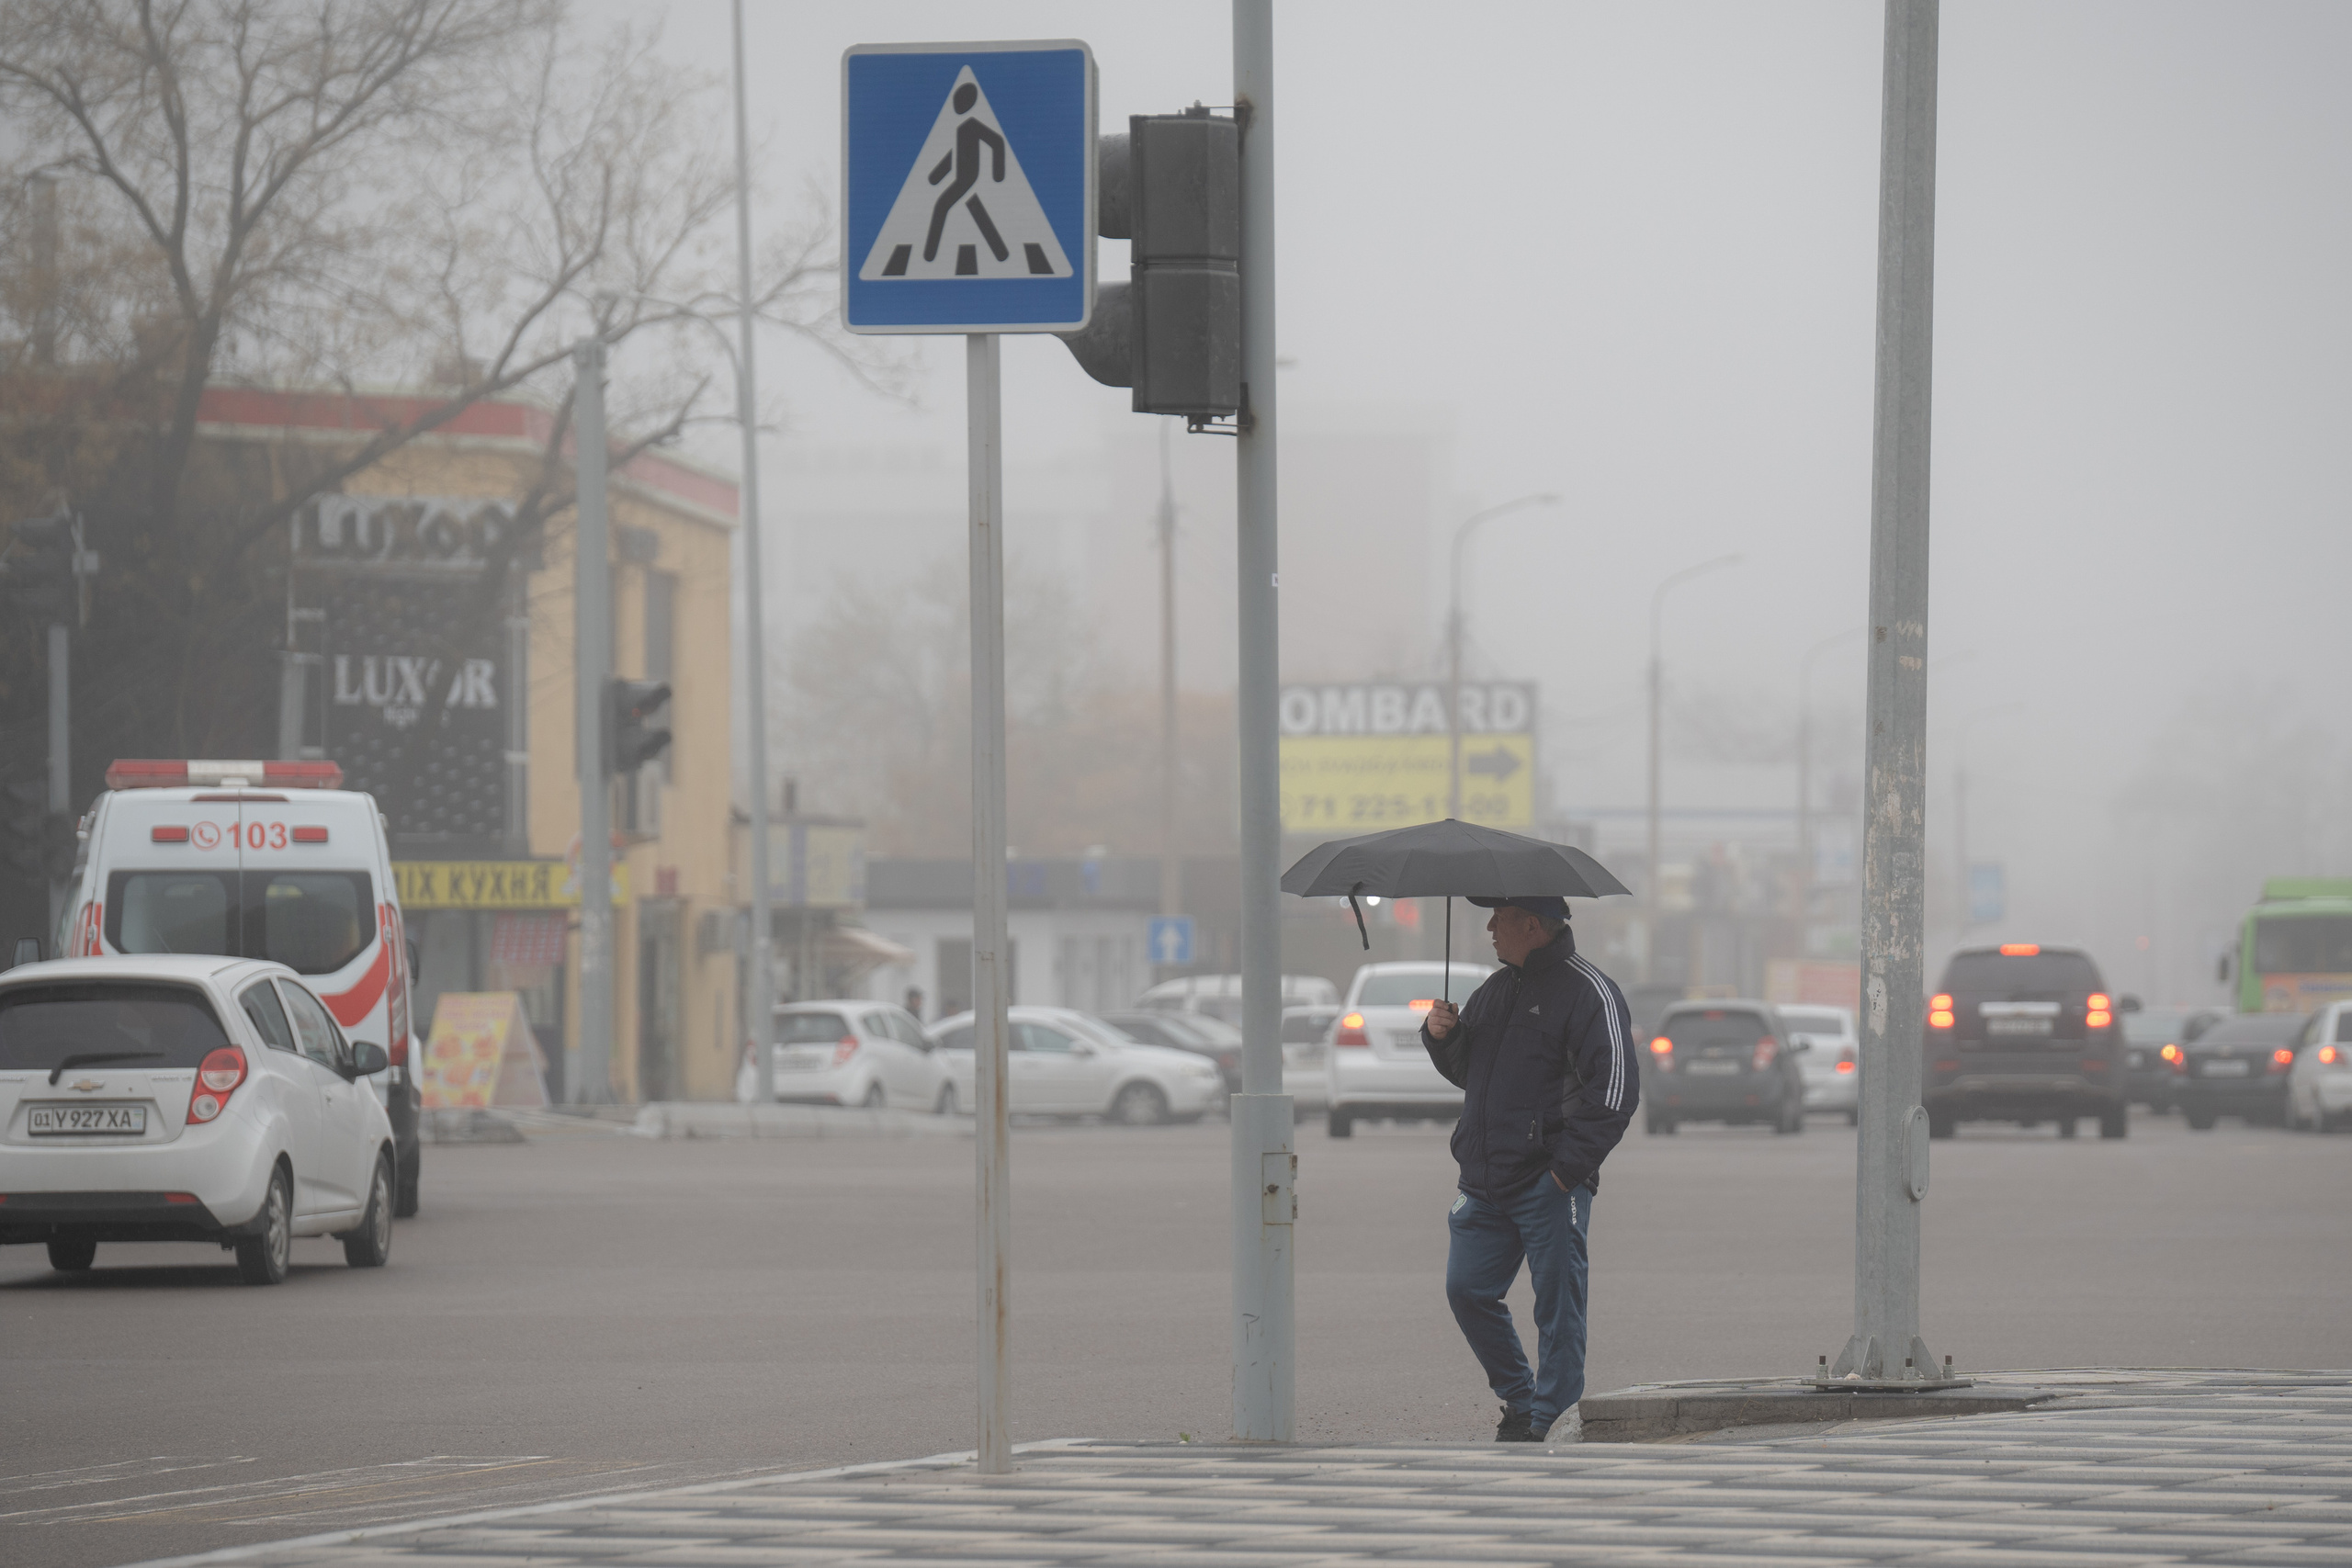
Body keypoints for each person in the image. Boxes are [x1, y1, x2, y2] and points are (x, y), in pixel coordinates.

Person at [1422, 895, 1640, 1443]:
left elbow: (1615, 1092)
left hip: (1549, 1183)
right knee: (1467, 1291)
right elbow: (1470, 1074)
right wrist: (1442, 1037)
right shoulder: (1495, 991)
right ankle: (1521, 1402)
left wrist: (1566, 1171)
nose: (1490, 928)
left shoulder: (1590, 992)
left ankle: (1553, 1420)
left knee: (1558, 1309)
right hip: (1483, 1181)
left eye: (1499, 919)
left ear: (1533, 925)